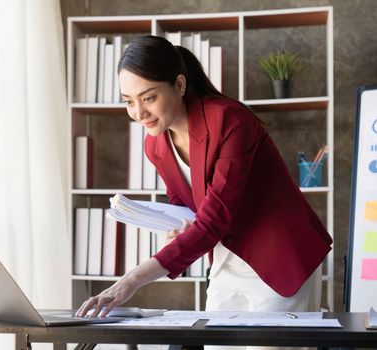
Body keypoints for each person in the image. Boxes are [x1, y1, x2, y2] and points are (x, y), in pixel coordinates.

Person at [75, 35, 332, 348]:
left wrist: (130, 280)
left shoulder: (229, 120)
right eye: (129, 101)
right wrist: (178, 225)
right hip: (227, 260)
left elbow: (215, 218)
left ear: (180, 85)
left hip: (279, 254)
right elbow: (183, 200)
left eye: (149, 97)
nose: (139, 112)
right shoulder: (155, 145)